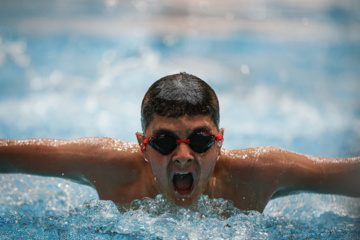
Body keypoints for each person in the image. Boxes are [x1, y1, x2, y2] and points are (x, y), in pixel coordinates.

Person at [0, 73, 359, 212]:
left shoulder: (259, 173)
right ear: (142, 144)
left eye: (201, 140)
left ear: (220, 143)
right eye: (165, 141)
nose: (183, 155)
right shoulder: (106, 164)